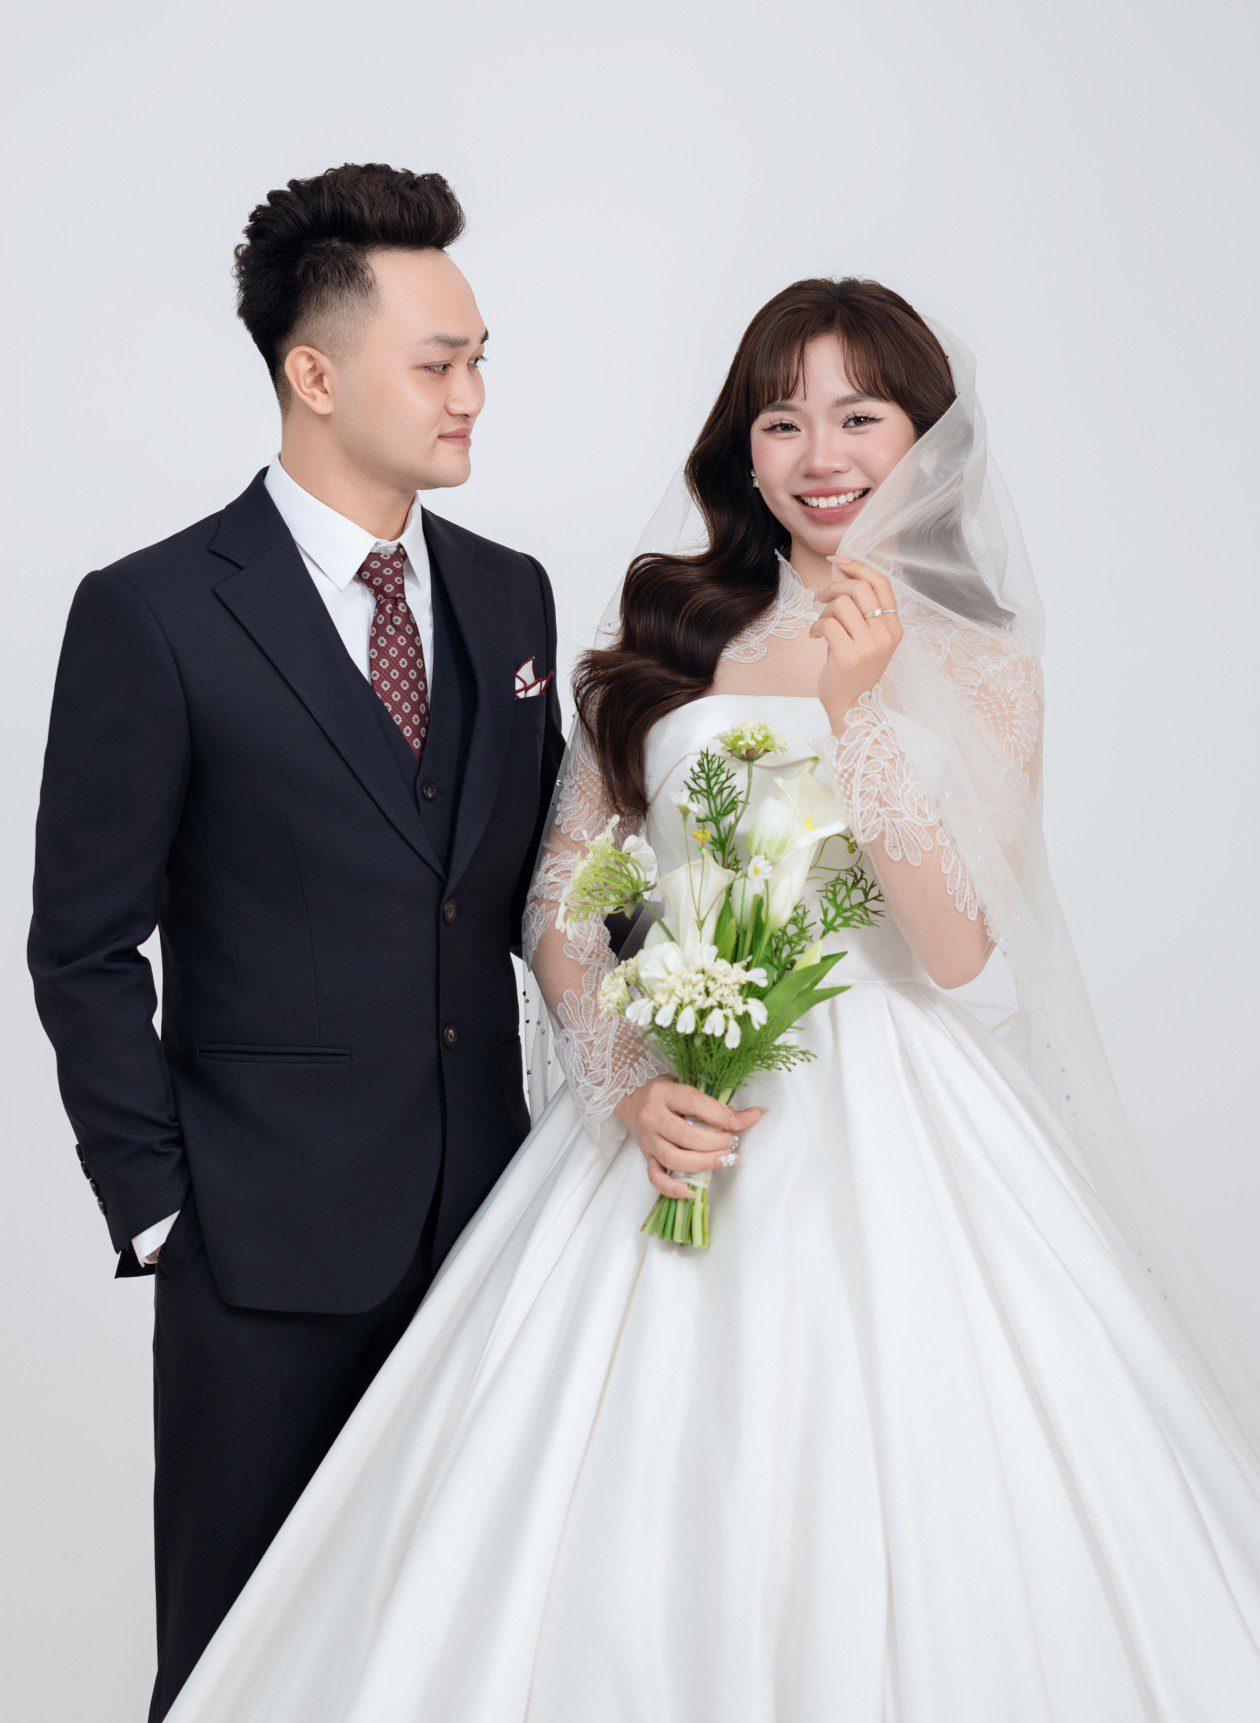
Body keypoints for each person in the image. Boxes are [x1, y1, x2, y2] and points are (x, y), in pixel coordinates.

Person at [170, 280, 1260, 1720]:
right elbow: (563, 900)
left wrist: (856, 708)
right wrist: (630, 1079)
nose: (823, 454)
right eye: (782, 419)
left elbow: (957, 951)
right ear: (742, 448)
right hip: (675, 1123)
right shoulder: (673, 633)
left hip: (905, 1129)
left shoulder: (987, 666)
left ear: (926, 439)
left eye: (861, 416)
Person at [26, 163, 566, 1721]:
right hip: (255, 1261)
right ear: (313, 376)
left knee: (463, 1669)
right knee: (240, 1673)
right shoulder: (153, 613)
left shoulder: (510, 599)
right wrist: (163, 1214)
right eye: (439, 363)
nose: (473, 395)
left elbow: (544, 886)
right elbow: (81, 948)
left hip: (491, 1238)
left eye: (480, 358)